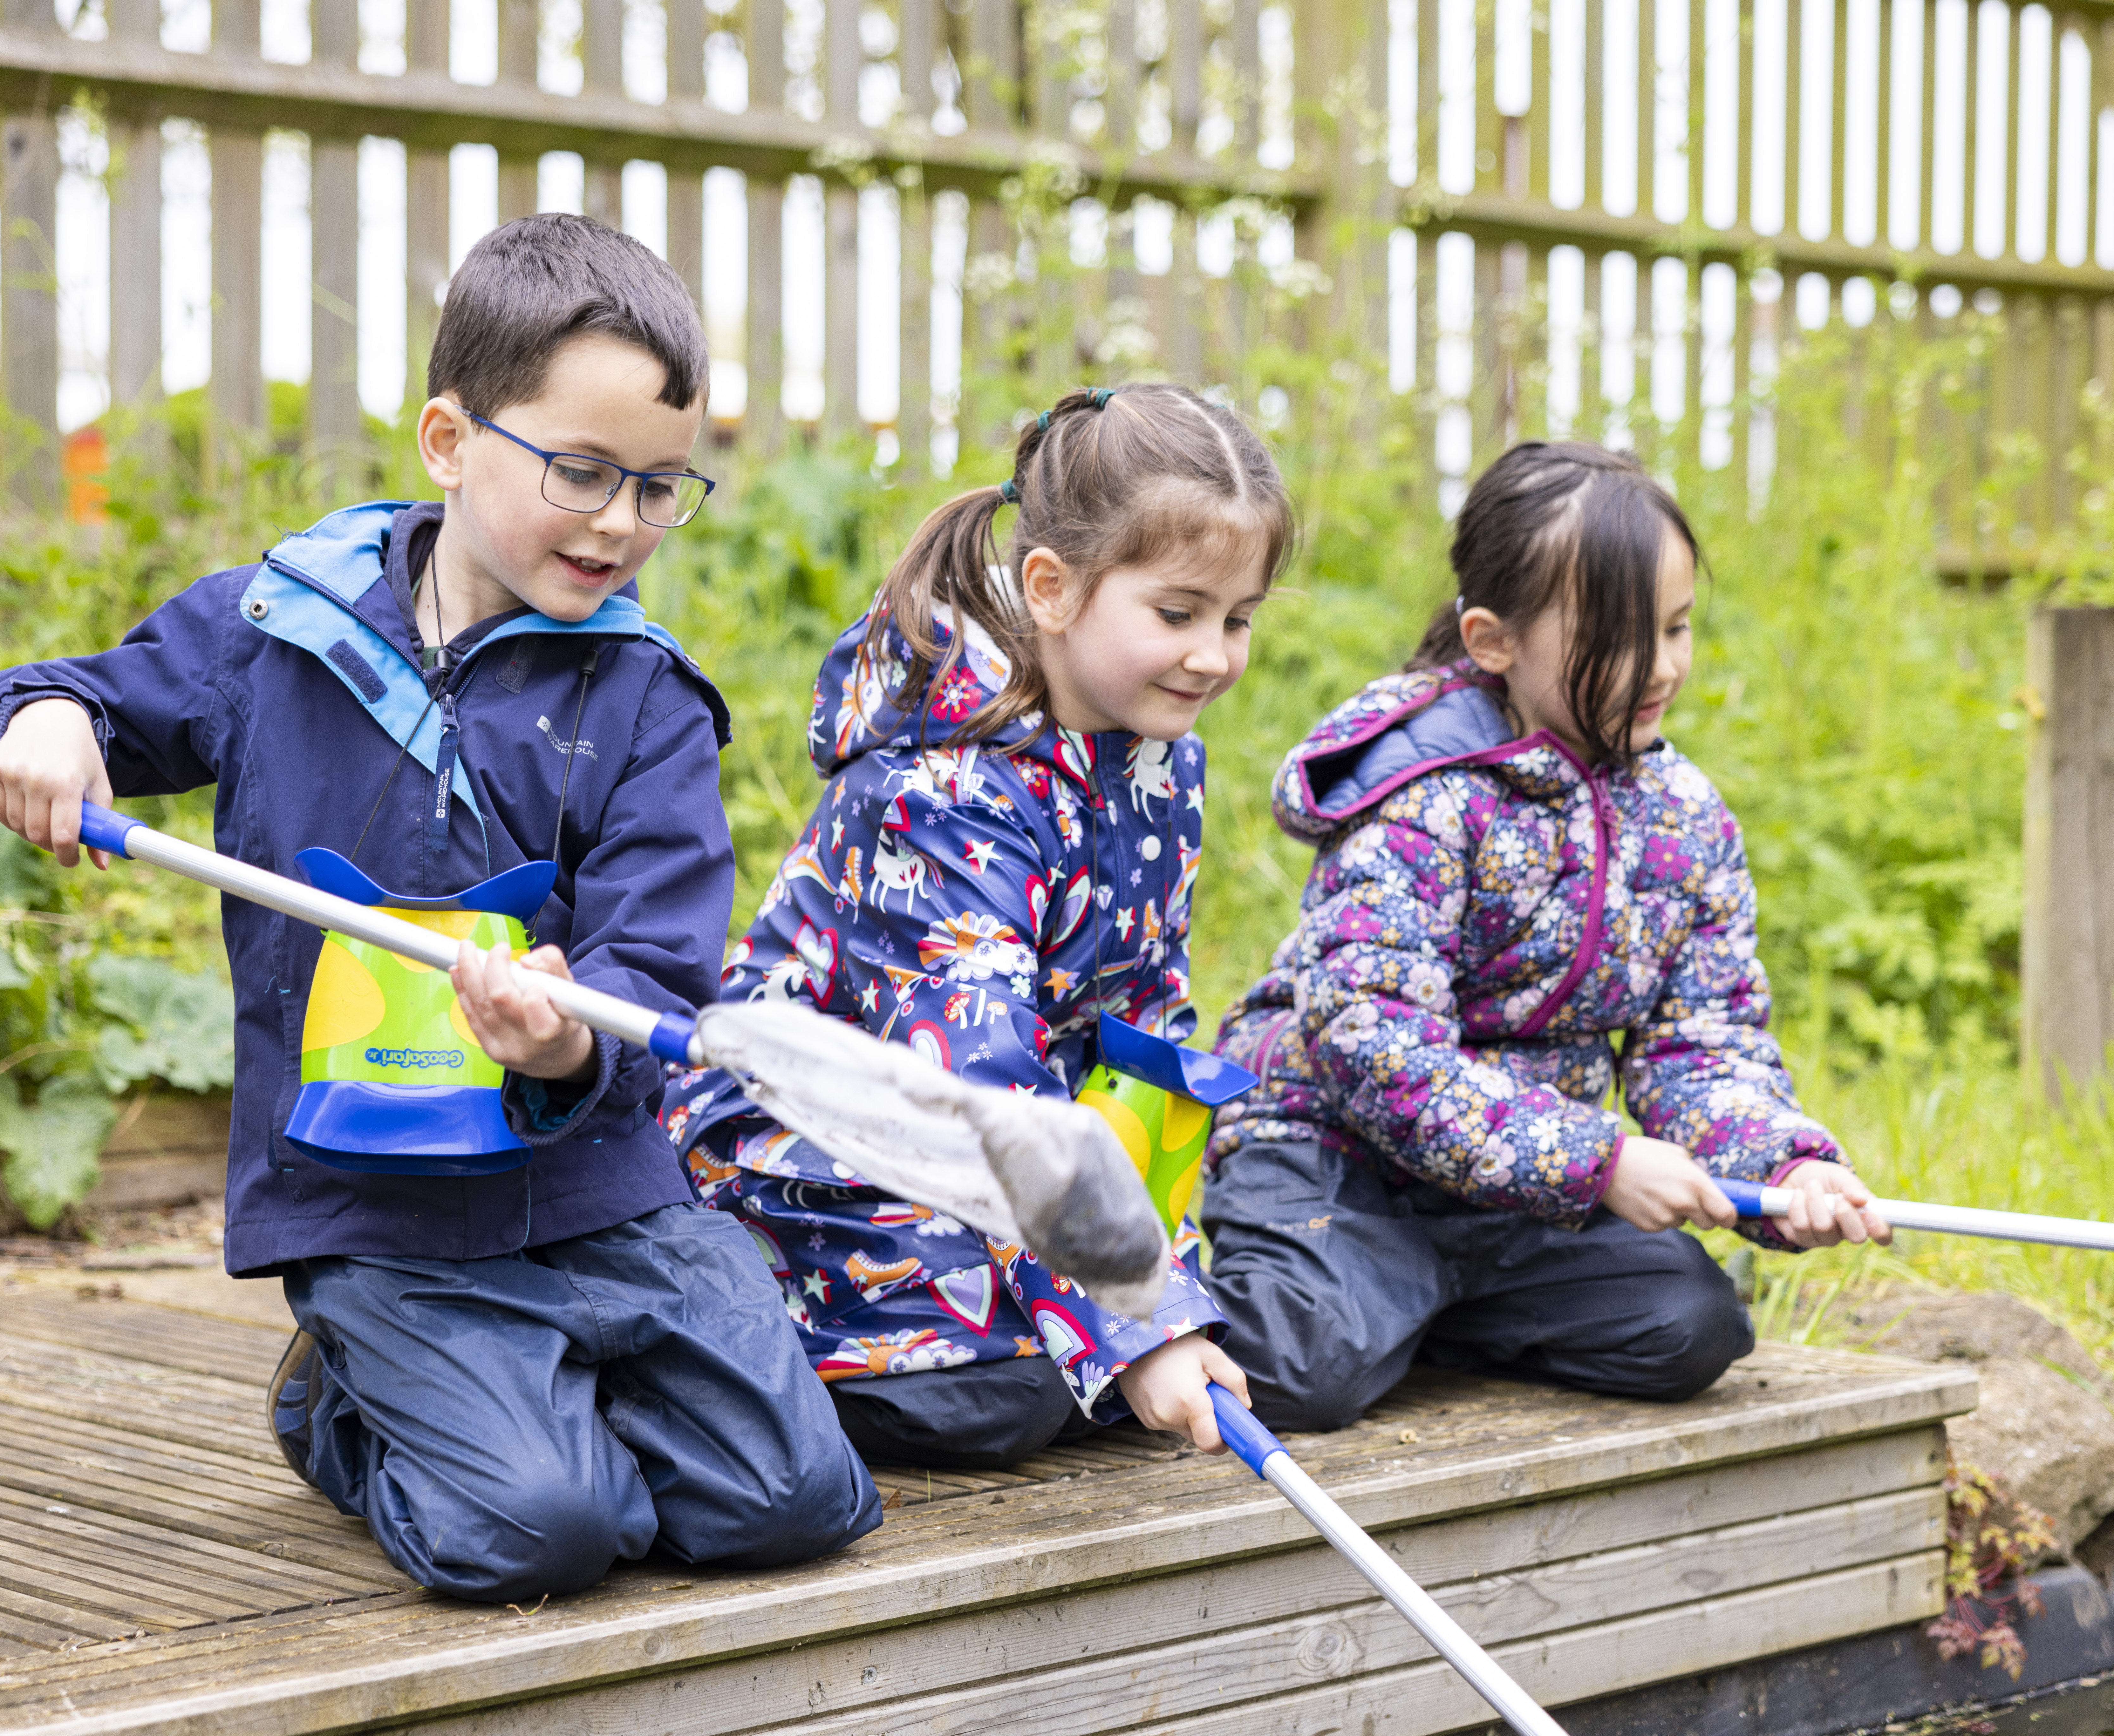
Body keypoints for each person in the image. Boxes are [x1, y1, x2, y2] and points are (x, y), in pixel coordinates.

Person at [0, 213, 880, 1601]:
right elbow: (67, 703)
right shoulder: (276, 630)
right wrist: (41, 722)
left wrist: (568, 1040)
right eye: (581, 471)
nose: (621, 522)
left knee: (800, 1499)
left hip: (596, 1194)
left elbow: (659, 965)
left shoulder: (644, 698)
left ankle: (520, 1395)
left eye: (659, 488)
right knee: (545, 1533)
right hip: (374, 1201)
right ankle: (340, 1402)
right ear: (449, 443)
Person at [1198, 441, 1892, 1433]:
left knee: (1691, 1326)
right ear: (1492, 641)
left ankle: (1419, 1308)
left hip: (1520, 1195)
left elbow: (1701, 1045)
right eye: (1619, 639)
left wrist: (1784, 1170)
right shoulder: (1426, 796)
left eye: (1679, 628)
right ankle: (1309, 1297)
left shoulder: (1686, 819)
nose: (1661, 667)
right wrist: (1598, 1164)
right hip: (1340, 1164)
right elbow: (1371, 1046)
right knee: (1306, 1365)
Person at [660, 383, 1292, 1469]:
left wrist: (1157, 1281)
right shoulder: (939, 797)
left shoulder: (1161, 760)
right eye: (1179, 614)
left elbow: (1139, 1035)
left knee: (1122, 1359)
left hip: (994, 1148)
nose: (1213, 657)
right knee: (1001, 1397)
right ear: (1052, 588)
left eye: (1238, 620)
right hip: (816, 1134)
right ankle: (692, 1341)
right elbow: (989, 1083)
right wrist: (1134, 1325)